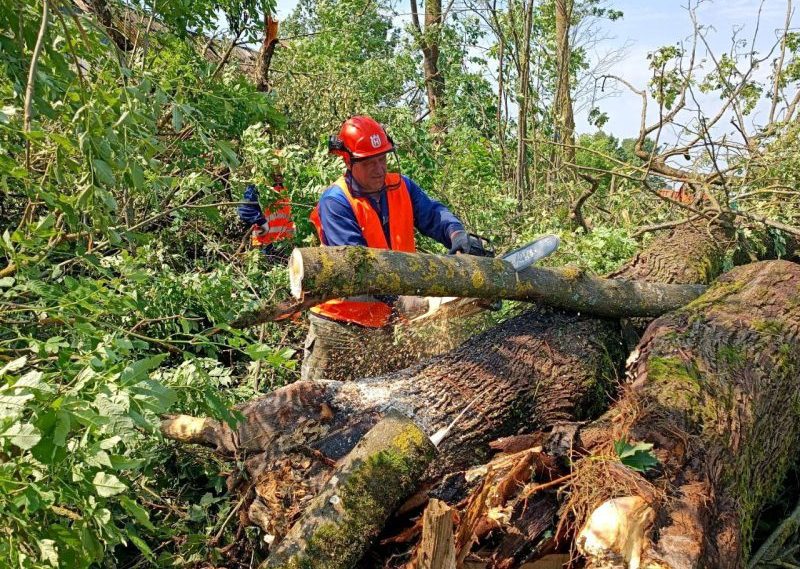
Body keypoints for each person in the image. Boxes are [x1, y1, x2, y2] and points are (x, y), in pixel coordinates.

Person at [302, 115, 484, 381]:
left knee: (380, 406)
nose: (378, 168)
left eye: (382, 159)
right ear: (349, 161)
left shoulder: (401, 186)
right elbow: (359, 266)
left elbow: (433, 214)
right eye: (369, 162)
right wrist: (403, 299)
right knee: (318, 408)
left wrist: (455, 233)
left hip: (384, 325)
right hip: (339, 325)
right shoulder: (336, 202)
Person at [237, 175, 296, 262]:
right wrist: (261, 222)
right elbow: (244, 209)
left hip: (286, 245)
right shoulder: (259, 188)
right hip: (265, 246)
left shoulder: (289, 187)